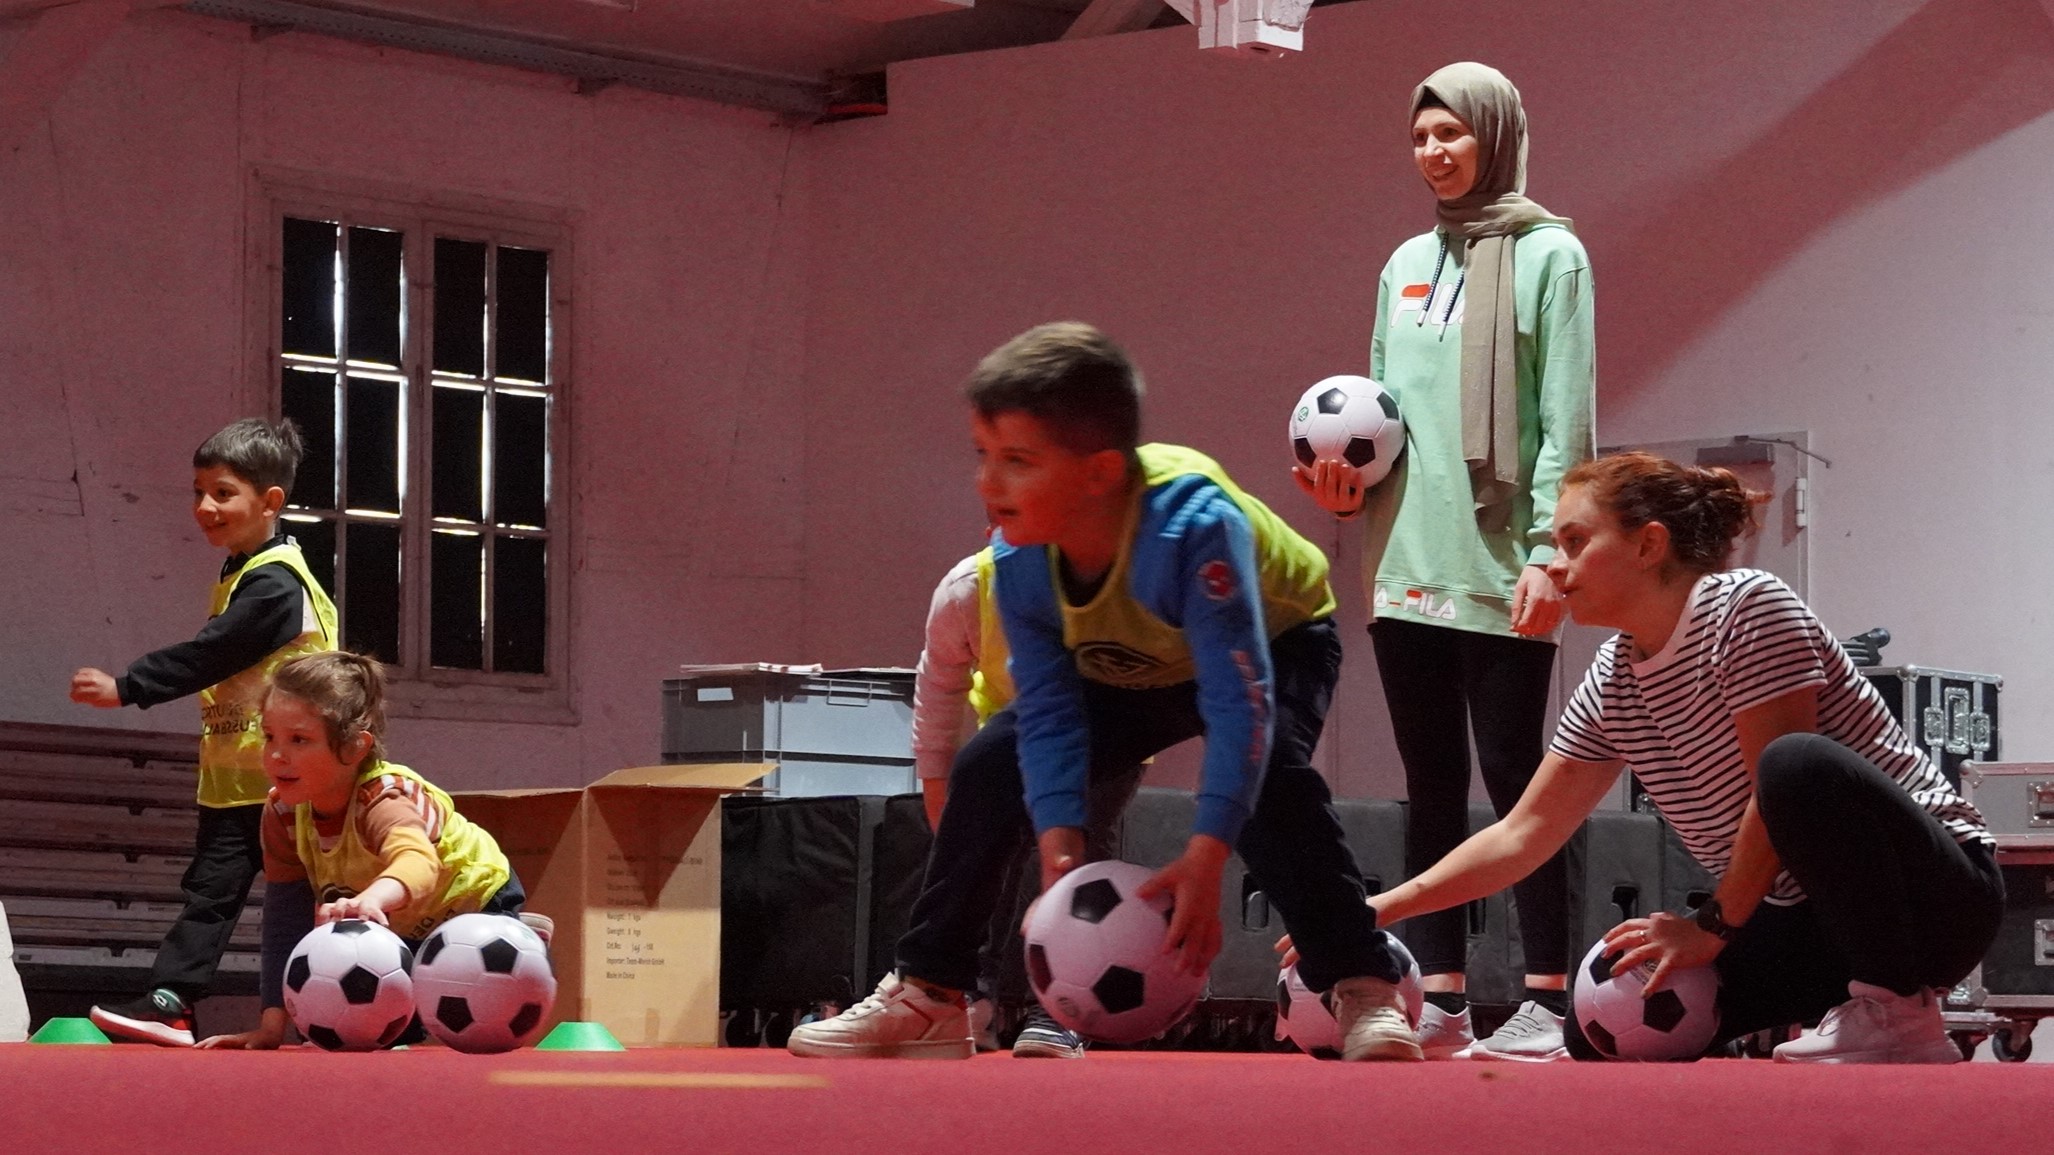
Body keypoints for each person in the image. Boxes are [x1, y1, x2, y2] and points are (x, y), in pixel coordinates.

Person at [788, 321, 1422, 1062]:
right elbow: (1048, 714)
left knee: (1271, 774)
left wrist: (1205, 859)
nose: (988, 484)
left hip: (1277, 637)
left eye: (1018, 461)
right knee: (990, 763)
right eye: (983, 455)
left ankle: (1363, 982)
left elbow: (1236, 707)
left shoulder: (1193, 527)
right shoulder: (1018, 555)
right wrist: (1060, 858)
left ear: (1099, 474)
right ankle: (931, 988)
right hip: (1139, 659)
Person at [1358, 452, 2000, 1063]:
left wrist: (1711, 926)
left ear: (1648, 545)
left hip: (1936, 901)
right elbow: (1523, 835)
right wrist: (1372, 911)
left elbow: (1775, 795)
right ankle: (1847, 1011)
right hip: (1806, 922)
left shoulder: (1746, 605)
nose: (1555, 566)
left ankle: (1898, 1010)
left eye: (1575, 542)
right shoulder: (1613, 677)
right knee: (1598, 1029)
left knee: (1793, 764)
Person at [1295, 61, 1595, 1060]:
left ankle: (1547, 998)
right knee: (1428, 783)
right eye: (1420, 136)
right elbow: (1378, 419)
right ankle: (1445, 1001)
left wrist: (1552, 553)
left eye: (1451, 133)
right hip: (1403, 562)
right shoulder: (1403, 264)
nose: (1433, 151)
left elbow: (1565, 421)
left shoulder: (1554, 257)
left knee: (1517, 783)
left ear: (1494, 135)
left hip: (1505, 563)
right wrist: (1343, 490)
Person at [72, 417, 338, 1046]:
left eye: (222, 492)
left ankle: (355, 1008)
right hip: (239, 782)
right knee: (211, 893)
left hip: (293, 783)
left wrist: (128, 686)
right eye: (197, 492)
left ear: (270, 501)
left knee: (326, 896)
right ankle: (172, 1003)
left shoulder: (276, 582)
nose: (204, 507)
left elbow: (213, 653)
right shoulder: (239, 573)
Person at [195, 651, 540, 1049]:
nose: (276, 754)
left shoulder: (384, 798)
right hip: (400, 925)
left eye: (299, 739)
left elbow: (417, 862)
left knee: (478, 1024)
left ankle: (520, 938)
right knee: (373, 1036)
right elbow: (284, 919)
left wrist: (371, 899)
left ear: (355, 747)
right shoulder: (282, 813)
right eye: (269, 735)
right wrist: (271, 1026)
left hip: (472, 907)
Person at [911, 547, 1145, 1058]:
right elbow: (938, 698)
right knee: (988, 856)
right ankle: (972, 1000)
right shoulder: (968, 587)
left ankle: (1063, 1014)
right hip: (1012, 733)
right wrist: (948, 820)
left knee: (1080, 858)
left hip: (1108, 731)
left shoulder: (1115, 575)